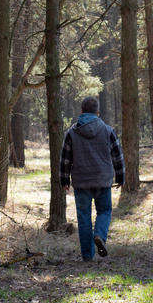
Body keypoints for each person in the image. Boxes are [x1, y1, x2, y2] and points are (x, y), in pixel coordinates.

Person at [60, 96, 125, 261]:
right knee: (104, 211)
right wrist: (120, 177)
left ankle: (87, 256)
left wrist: (64, 180)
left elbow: (65, 158)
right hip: (103, 180)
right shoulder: (108, 130)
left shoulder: (72, 133)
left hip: (81, 182)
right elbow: (118, 156)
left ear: (81, 111)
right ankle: (100, 236)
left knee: (84, 217)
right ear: (98, 112)